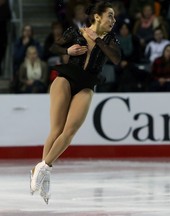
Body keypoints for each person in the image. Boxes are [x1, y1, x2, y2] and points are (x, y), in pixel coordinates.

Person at [29, 1, 121, 204]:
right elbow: (53, 47)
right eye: (110, 16)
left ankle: (41, 168)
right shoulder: (76, 31)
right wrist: (67, 52)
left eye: (113, 17)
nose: (113, 20)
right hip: (65, 80)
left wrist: (98, 39)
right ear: (97, 16)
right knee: (56, 130)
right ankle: (45, 173)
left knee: (69, 133)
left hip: (86, 86)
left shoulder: (111, 39)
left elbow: (115, 59)